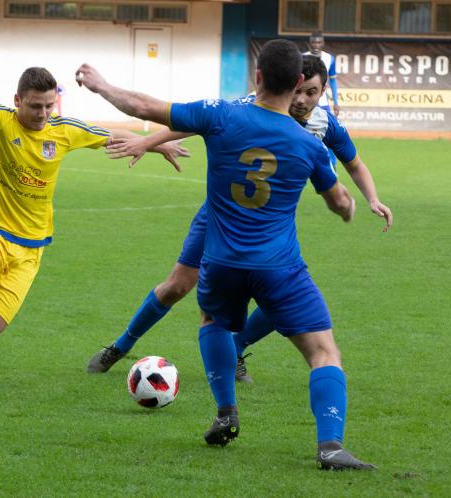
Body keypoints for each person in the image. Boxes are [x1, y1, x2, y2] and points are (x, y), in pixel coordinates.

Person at [77, 39, 375, 470]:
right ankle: (330, 446)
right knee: (323, 353)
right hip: (278, 266)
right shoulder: (308, 143)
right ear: (296, 84)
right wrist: (347, 208)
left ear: (257, 76)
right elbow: (339, 200)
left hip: (223, 262)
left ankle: (225, 411)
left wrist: (102, 85)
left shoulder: (221, 114)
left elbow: (142, 105)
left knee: (213, 320)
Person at [0, 43, 188, 388]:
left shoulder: (62, 130)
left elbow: (110, 136)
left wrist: (156, 142)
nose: (43, 112)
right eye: (35, 106)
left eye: (49, 105)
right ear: (18, 101)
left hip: (30, 249)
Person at [305, 32, 340, 116]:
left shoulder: (329, 59)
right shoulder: (303, 57)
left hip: (323, 101)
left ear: (323, 43)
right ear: (309, 43)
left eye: (319, 42)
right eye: (314, 42)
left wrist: (336, 102)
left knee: (325, 126)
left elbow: (333, 80)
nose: (316, 45)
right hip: (306, 100)